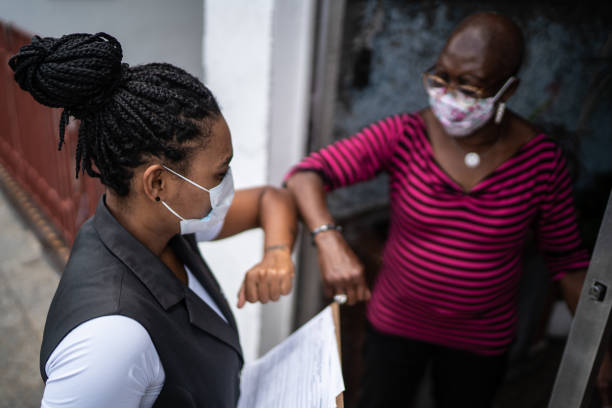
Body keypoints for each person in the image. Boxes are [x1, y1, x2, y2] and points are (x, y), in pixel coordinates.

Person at [285, 11, 606, 408]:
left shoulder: (541, 161)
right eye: (440, 78)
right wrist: (328, 239)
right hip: (395, 324)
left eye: (468, 86)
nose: (448, 95)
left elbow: (567, 260)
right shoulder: (405, 134)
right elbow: (306, 175)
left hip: (481, 341)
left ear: (506, 91)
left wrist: (600, 352)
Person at [9, 32, 297, 407]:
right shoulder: (110, 341)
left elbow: (270, 200)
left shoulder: (165, 225)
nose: (227, 182)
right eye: (219, 173)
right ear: (158, 183)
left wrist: (276, 253)